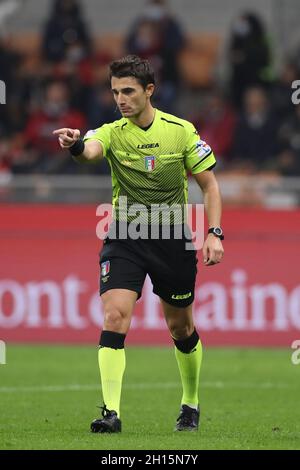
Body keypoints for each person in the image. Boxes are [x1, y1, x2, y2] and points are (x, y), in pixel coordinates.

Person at [53, 55, 224, 433]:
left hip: (171, 237)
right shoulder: (112, 132)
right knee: (114, 315)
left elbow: (209, 184)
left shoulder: (180, 131)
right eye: (115, 92)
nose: (121, 99)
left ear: (149, 91)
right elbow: (90, 151)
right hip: (124, 236)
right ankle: (111, 413)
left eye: (128, 91)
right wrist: (76, 144)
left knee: (180, 327)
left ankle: (190, 403)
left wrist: (214, 232)